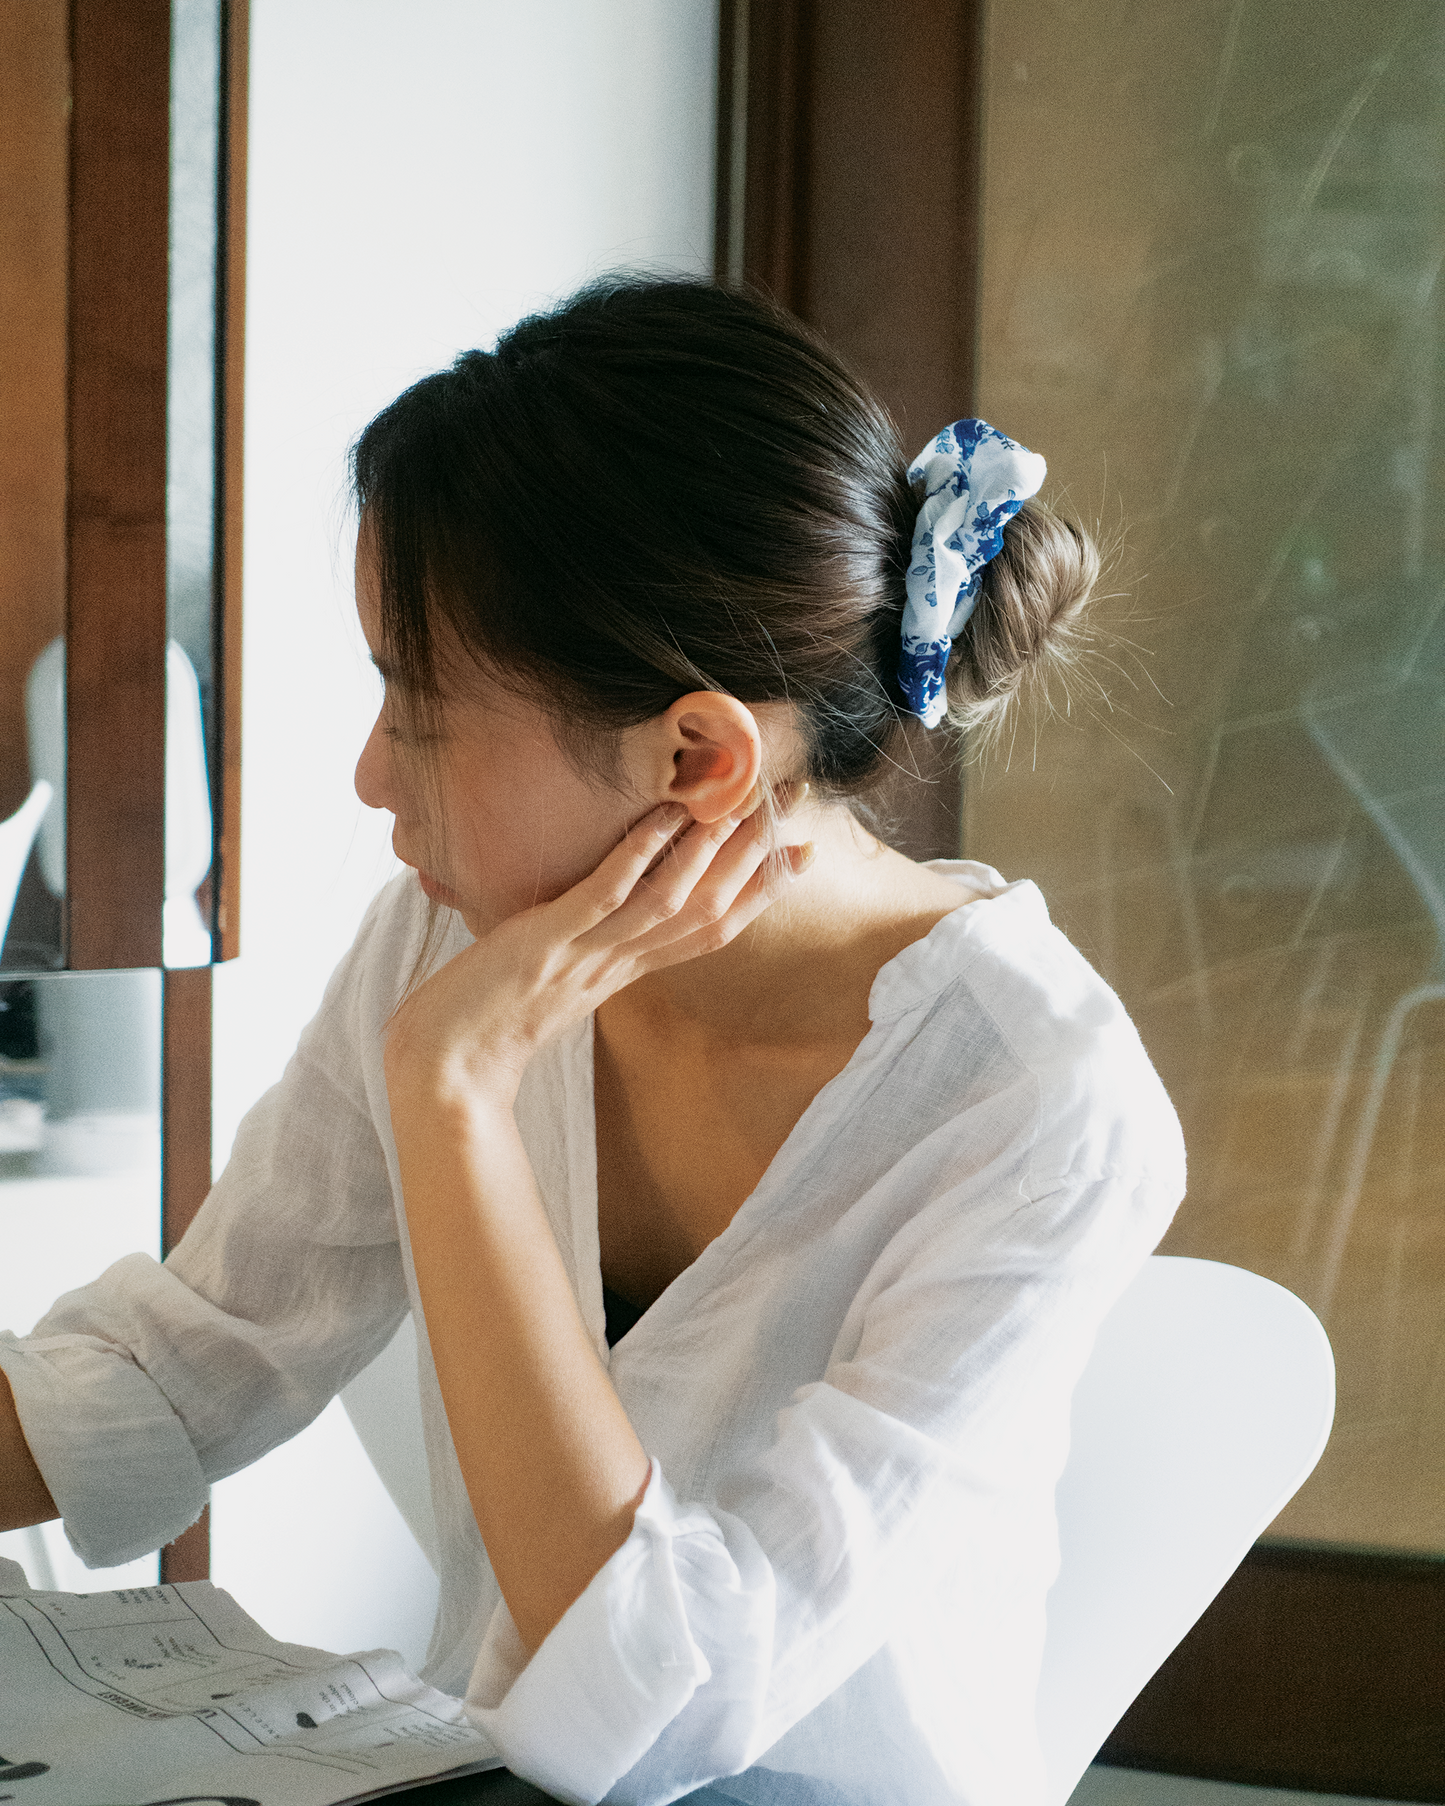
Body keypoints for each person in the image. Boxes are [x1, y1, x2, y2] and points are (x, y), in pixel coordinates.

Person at [0, 277, 1185, 1806]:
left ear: (694, 758)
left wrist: (455, 1100)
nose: (371, 777)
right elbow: (192, 1359)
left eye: (411, 704)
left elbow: (673, 1709)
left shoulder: (1041, 1104)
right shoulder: (444, 934)